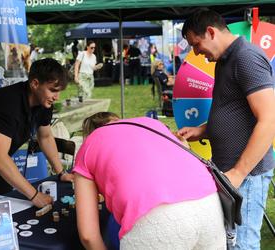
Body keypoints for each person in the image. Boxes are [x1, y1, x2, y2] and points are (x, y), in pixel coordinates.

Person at [177, 8, 275, 249]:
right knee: (229, 241)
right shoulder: (224, 60)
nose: (196, 53)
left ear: (210, 32)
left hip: (247, 175)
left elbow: (269, 119)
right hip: (230, 173)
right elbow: (233, 111)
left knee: (243, 244)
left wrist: (239, 173)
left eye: (196, 44)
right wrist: (201, 130)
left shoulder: (246, 58)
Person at [72, 112, 226, 250]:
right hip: (209, 207)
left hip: (157, 221)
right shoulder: (151, 124)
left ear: (89, 134)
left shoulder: (89, 145)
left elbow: (88, 236)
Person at [0, 58, 74, 208]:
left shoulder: (44, 103)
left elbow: (45, 137)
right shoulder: (8, 104)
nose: (56, 97)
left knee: (6, 208)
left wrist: (62, 172)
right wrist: (35, 196)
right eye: (53, 90)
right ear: (35, 84)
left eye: (59, 91)